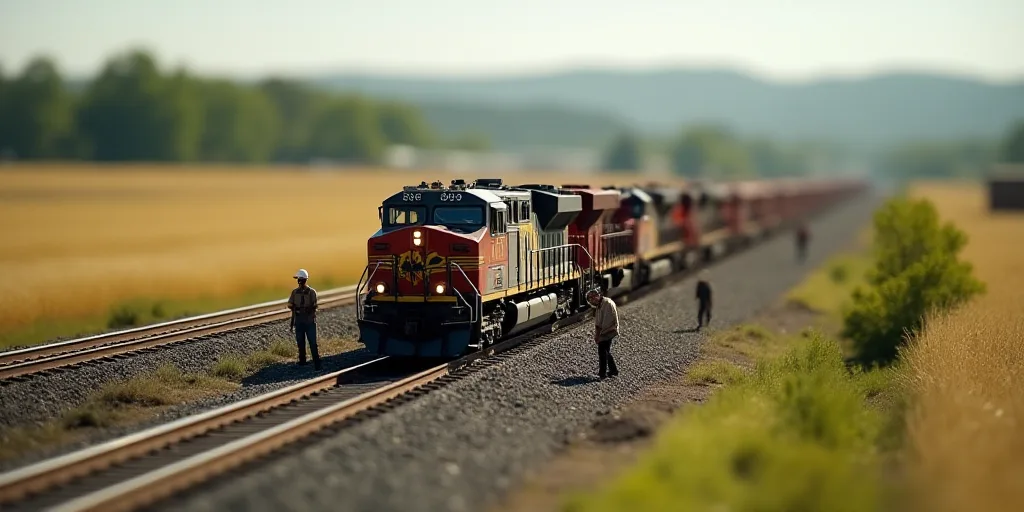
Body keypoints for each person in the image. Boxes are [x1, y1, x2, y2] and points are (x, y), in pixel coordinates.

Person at [288, 268, 321, 370]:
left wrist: (308, 310)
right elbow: (290, 304)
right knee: (300, 342)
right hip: (299, 320)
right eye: (299, 279)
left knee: (312, 342)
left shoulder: (312, 292)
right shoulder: (294, 292)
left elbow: (315, 305)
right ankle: (302, 361)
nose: (299, 281)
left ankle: (316, 362)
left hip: (309, 321)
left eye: (301, 279)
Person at [588, 289, 620, 379]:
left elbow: (606, 322)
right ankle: (613, 371)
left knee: (602, 351)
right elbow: (598, 323)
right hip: (605, 331)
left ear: (595, 297)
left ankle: (602, 374)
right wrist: (597, 335)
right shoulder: (600, 305)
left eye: (591, 301)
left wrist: (600, 336)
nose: (591, 303)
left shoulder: (607, 304)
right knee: (606, 351)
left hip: (609, 330)